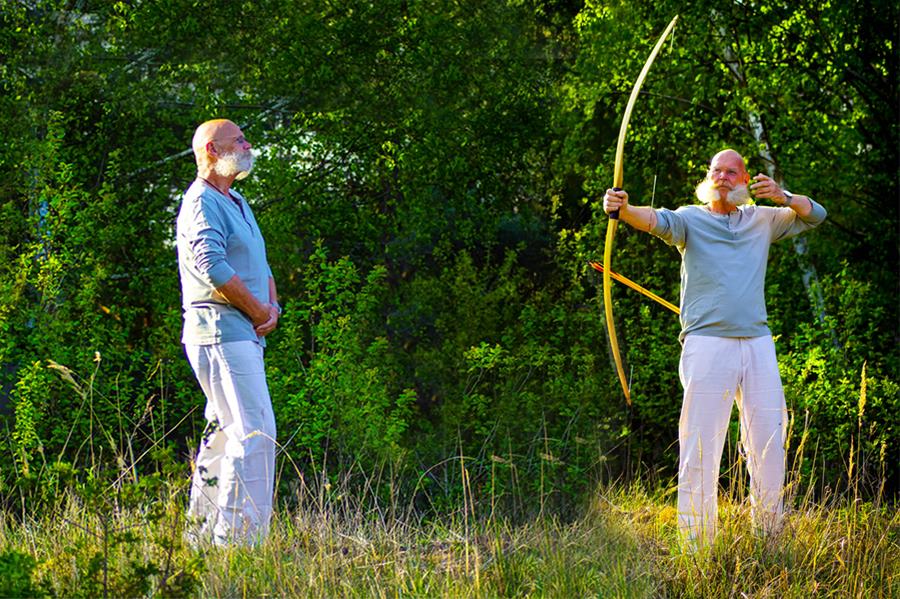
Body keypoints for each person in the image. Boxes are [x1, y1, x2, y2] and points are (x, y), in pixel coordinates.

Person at [603, 149, 827, 547]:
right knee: (701, 445)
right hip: (707, 344)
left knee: (770, 441)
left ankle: (769, 538)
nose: (723, 177)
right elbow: (655, 219)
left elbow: (816, 215)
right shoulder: (691, 218)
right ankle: (696, 545)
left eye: (731, 171)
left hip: (757, 343)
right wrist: (621, 208)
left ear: (744, 180)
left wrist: (783, 195)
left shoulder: (763, 218)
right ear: (708, 177)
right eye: (716, 170)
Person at [176, 119, 281, 546]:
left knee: (223, 435)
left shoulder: (235, 199)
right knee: (253, 432)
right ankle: (238, 545)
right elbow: (213, 268)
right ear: (212, 150)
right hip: (221, 332)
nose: (248, 144)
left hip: (241, 331)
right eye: (239, 139)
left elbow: (259, 261)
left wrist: (270, 306)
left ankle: (199, 539)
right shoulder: (201, 201)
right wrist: (258, 311)